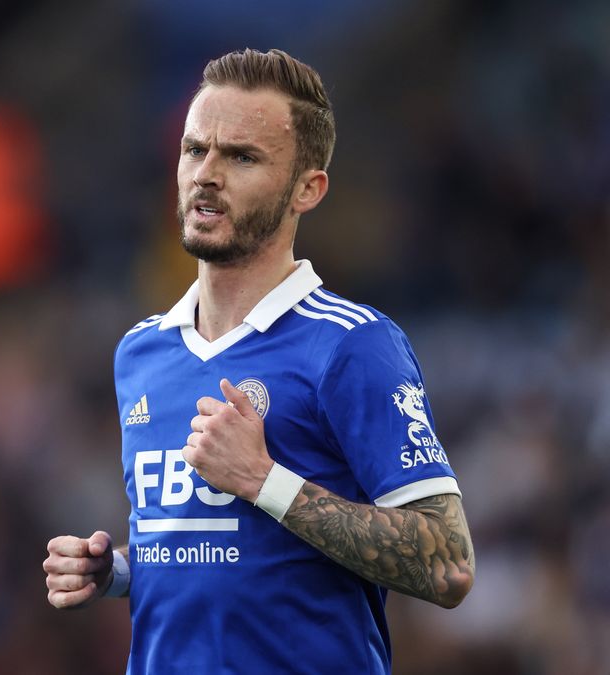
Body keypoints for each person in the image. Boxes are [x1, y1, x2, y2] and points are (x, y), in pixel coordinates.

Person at [42, 48, 475, 674]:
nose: (206, 174)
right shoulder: (141, 352)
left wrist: (263, 479)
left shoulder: (352, 345)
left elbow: (448, 564)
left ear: (308, 188)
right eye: (196, 150)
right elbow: (224, 556)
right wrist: (114, 574)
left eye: (242, 156)